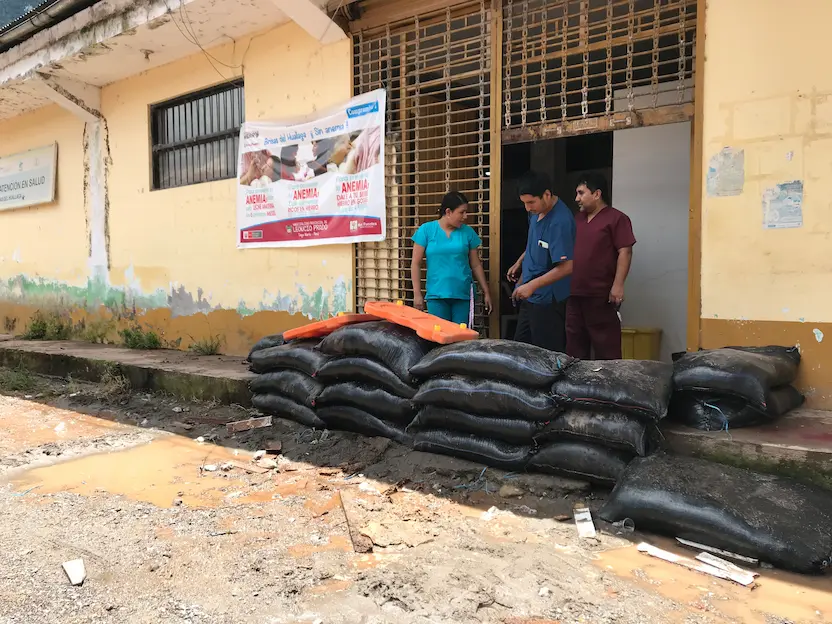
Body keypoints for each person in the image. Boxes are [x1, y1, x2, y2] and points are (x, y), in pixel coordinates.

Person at [567, 171, 636, 360]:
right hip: (574, 293)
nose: (577, 199)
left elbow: (625, 251)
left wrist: (618, 285)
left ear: (596, 194)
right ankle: (576, 387)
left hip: (601, 294)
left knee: (606, 348)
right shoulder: (577, 219)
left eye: (581, 193)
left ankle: (609, 387)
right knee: (575, 348)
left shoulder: (616, 218)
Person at [507, 171, 575, 352]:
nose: (528, 208)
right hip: (530, 294)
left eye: (531, 202)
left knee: (545, 353)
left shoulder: (560, 221)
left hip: (547, 299)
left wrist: (532, 285)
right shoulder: (535, 213)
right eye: (524, 203)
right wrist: (520, 263)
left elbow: (567, 266)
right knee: (520, 347)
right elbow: (534, 242)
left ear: (547, 194)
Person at [411, 191, 493, 325]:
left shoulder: (468, 232)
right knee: (440, 337)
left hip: (462, 294)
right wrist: (417, 294)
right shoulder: (426, 230)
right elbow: (415, 264)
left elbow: (476, 265)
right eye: (462, 212)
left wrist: (486, 291)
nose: (465, 216)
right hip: (436, 295)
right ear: (448, 212)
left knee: (460, 340)